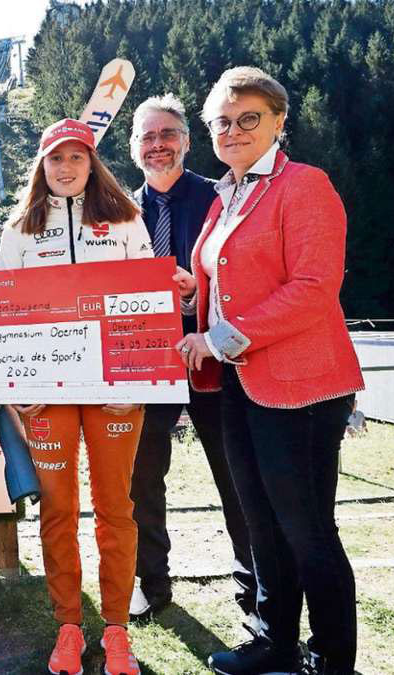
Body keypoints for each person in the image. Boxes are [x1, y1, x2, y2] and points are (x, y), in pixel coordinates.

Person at [178, 66, 363, 675]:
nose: (232, 131)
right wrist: (191, 297)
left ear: (279, 122)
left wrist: (219, 336)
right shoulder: (228, 194)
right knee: (259, 521)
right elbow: (227, 276)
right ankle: (274, 639)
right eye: (222, 122)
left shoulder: (305, 185)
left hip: (301, 388)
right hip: (239, 382)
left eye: (247, 119)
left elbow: (314, 287)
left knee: (306, 528)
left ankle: (333, 656)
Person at [0, 118, 193, 675]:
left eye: (76, 158)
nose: (66, 169)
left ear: (92, 163)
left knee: (116, 508)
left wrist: (134, 385)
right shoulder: (18, 232)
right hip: (47, 395)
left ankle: (114, 629)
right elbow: (8, 320)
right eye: (56, 159)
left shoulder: (126, 219)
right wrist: (18, 391)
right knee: (58, 509)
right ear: (42, 165)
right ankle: (67, 626)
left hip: (116, 393)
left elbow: (148, 308)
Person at [126, 95, 254, 623]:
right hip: (142, 360)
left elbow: (246, 280)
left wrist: (193, 302)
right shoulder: (120, 211)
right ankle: (150, 583)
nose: (158, 145)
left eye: (168, 134)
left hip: (214, 359)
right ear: (134, 148)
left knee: (236, 474)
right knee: (141, 477)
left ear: (186, 140)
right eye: (148, 137)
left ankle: (255, 584)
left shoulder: (220, 198)